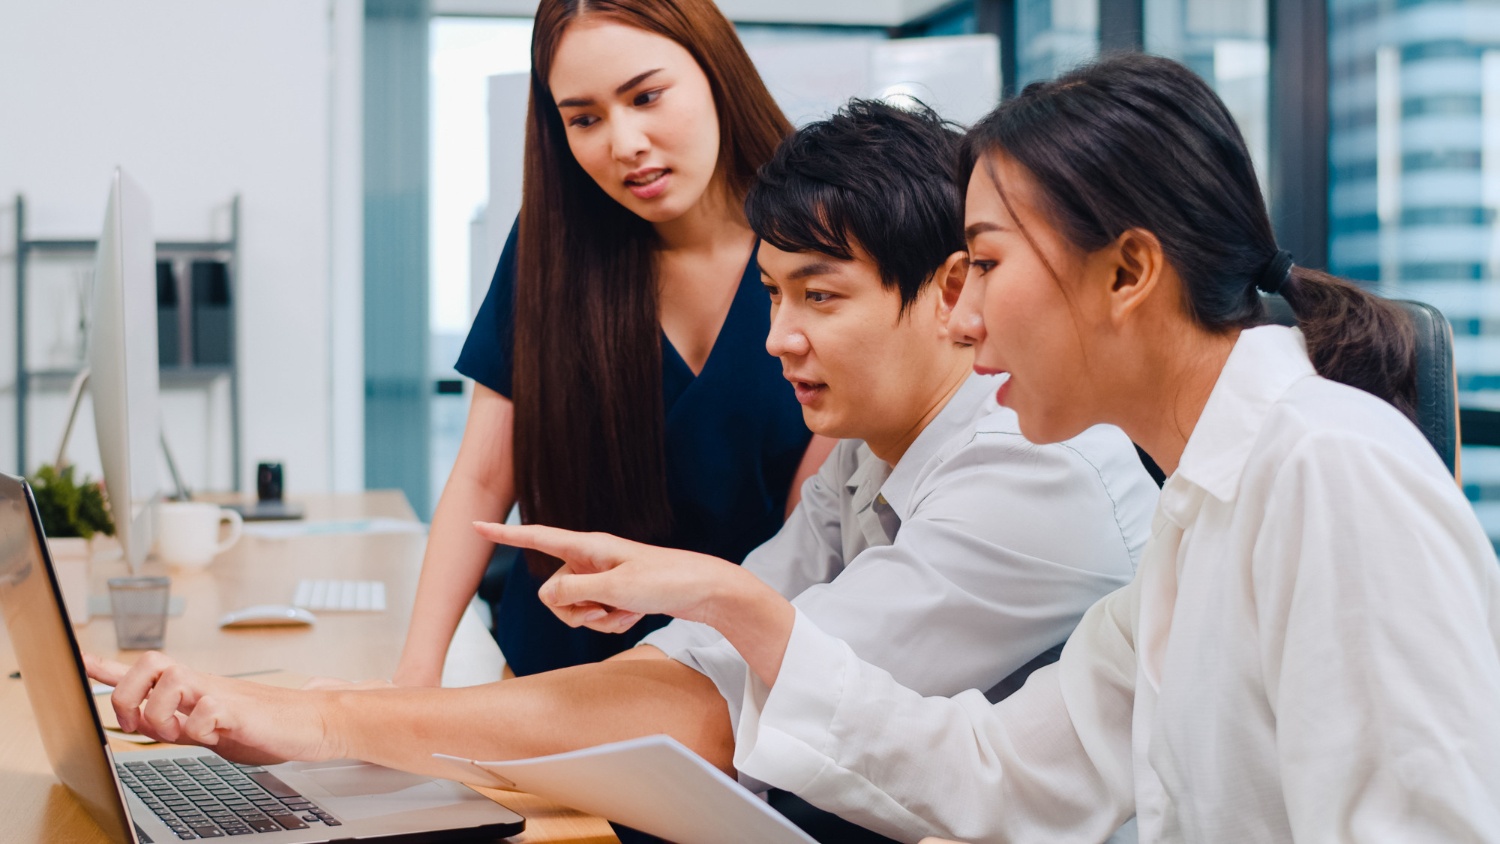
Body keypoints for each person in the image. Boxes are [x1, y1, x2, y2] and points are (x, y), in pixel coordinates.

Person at [477, 55, 1500, 842]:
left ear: (1127, 271)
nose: (960, 321)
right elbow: (996, 769)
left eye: (987, 264)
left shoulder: (1331, 470)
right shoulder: (1202, 512)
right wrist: (740, 607)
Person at [85, 99, 1159, 841]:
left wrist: (335, 724)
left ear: (946, 292)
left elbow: (722, 703)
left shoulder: (1028, 470)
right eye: (773, 295)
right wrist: (364, 707)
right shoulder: (866, 462)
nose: (778, 337)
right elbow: (698, 660)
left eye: (820, 298)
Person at [395, 0, 831, 684]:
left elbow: (814, 533)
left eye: (647, 96)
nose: (623, 143)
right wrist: (413, 681)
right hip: (557, 678)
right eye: (585, 118)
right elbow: (482, 477)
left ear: (716, 71)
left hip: (740, 678)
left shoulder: (825, 247)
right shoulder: (553, 248)